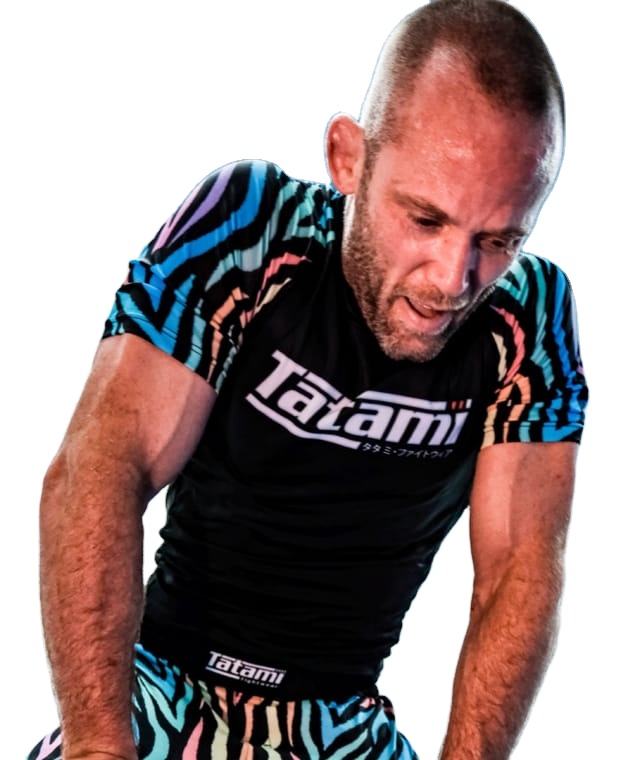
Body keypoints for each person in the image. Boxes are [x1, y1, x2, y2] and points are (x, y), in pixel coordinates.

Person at [29, 0, 588, 758]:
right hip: (163, 690)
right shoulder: (252, 227)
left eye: (497, 239)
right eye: (425, 220)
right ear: (347, 158)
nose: (453, 278)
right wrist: (100, 747)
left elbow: (517, 572)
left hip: (339, 725)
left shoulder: (530, 315)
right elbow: (101, 467)